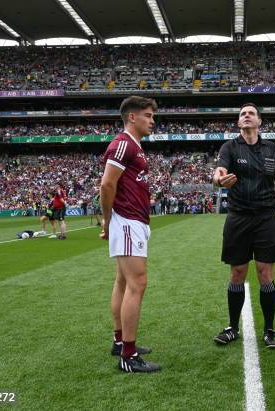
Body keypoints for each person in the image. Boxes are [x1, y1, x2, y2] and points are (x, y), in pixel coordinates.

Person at [212, 103, 275, 349]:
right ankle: (233, 327)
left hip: (266, 218)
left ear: (259, 122)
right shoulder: (230, 147)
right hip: (238, 217)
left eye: (251, 113)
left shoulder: (272, 149)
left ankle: (269, 330)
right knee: (237, 273)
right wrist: (219, 181)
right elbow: (218, 172)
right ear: (238, 123)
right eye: (242, 114)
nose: (246, 116)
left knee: (265, 273)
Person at [100, 96, 159, 373]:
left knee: (123, 282)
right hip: (126, 221)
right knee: (138, 283)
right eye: (148, 115)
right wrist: (109, 219)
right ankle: (129, 355)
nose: (152, 120)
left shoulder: (134, 146)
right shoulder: (123, 144)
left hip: (131, 220)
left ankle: (119, 341)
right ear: (132, 117)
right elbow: (107, 184)